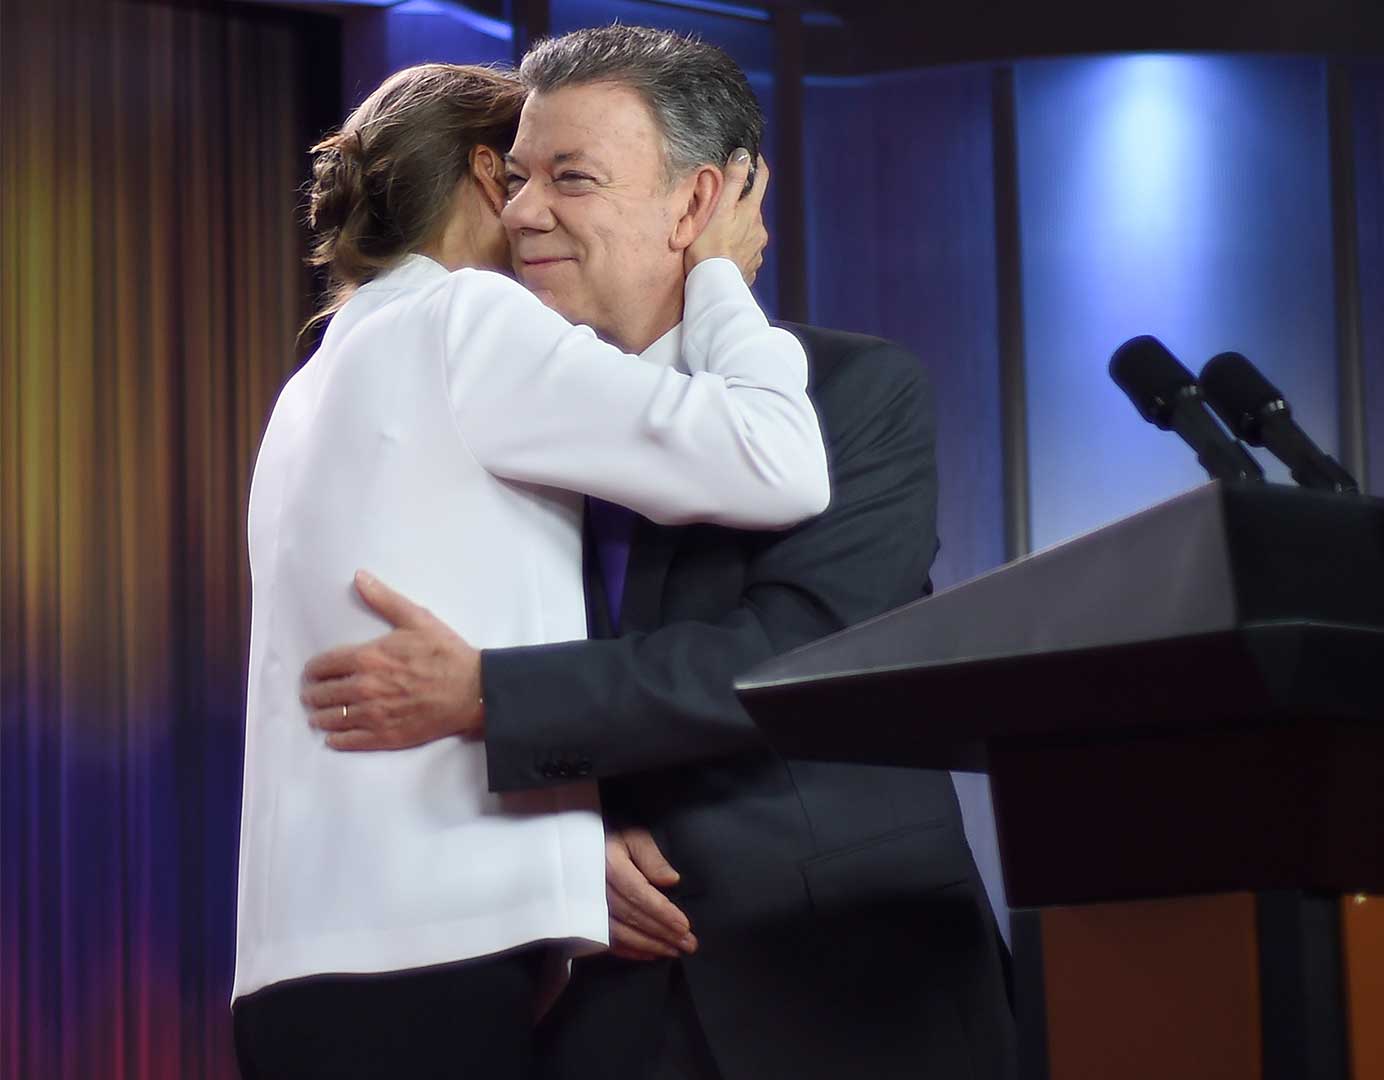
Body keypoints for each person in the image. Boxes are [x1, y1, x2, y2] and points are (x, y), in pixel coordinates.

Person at [300, 27, 1016, 1080]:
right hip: (607, 1013)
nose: (523, 211)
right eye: (518, 176)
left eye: (571, 178)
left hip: (851, 989)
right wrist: (562, 848)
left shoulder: (857, 393)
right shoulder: (499, 415)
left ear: (696, 205)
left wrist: (495, 694)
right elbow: (395, 686)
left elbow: (797, 649)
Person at [232, 61, 828, 1080]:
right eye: (530, 176)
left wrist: (564, 845)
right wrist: (721, 271)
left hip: (308, 974)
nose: (543, 213)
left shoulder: (323, 372)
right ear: (486, 177)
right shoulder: (466, 318)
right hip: (428, 971)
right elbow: (776, 460)